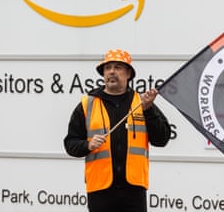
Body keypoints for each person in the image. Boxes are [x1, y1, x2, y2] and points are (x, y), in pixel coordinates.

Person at [64, 48, 171, 212]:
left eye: (118, 67)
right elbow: (70, 144)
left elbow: (162, 139)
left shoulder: (142, 103)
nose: (112, 72)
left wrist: (148, 110)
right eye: (108, 68)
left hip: (134, 190)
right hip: (100, 190)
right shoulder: (88, 104)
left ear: (128, 73)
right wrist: (87, 145)